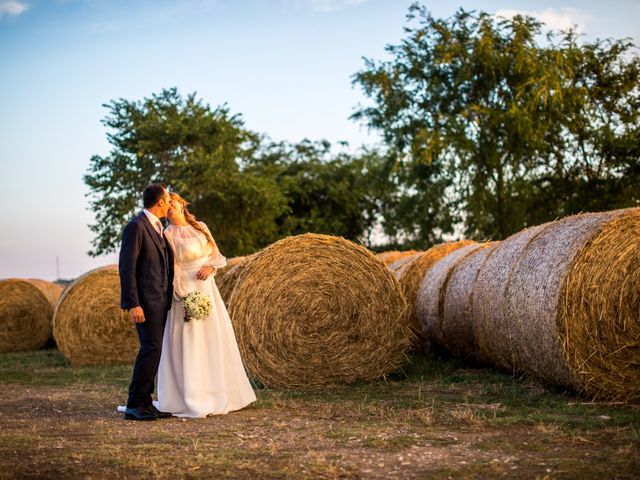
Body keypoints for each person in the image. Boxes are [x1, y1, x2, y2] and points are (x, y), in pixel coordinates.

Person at [155, 192, 256, 418]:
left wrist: (211, 267)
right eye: (166, 204)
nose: (170, 206)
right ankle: (192, 395)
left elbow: (216, 254)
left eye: (173, 202)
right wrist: (183, 295)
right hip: (185, 292)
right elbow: (173, 269)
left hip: (207, 288)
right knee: (190, 340)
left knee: (213, 338)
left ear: (181, 204)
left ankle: (220, 391)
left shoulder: (200, 226)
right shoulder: (167, 235)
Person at [119, 183, 174, 421]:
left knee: (155, 351)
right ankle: (134, 404)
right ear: (160, 202)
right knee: (150, 349)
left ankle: (146, 402)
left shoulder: (158, 227)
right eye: (169, 199)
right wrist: (133, 304)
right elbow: (127, 268)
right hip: (145, 302)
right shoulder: (136, 226)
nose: (171, 203)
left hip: (160, 301)